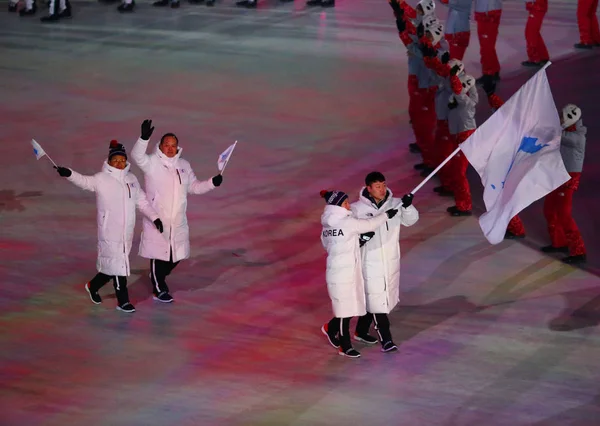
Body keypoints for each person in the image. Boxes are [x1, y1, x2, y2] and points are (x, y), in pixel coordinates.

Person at [55, 141, 162, 313]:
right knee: (119, 265)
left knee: (113, 266)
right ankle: (123, 301)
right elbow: (84, 181)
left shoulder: (131, 180)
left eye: (122, 160)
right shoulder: (101, 179)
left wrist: (155, 218)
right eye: (116, 160)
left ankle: (92, 285)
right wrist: (69, 173)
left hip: (126, 232)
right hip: (109, 231)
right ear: (109, 161)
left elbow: (141, 201)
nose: (119, 163)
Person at [131, 120, 223, 303]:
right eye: (167, 145)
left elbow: (194, 187)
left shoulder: (184, 165)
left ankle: (157, 277)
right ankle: (159, 289)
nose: (170, 148)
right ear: (161, 146)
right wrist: (143, 138)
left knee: (176, 256)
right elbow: (137, 156)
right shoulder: (152, 163)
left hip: (178, 220)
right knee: (159, 254)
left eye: (174, 145)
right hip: (158, 218)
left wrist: (212, 183)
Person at [320, 190, 398, 358]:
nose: (349, 206)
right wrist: (386, 215)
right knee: (343, 311)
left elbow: (331, 245)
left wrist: (359, 241)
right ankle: (344, 346)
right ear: (338, 206)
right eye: (345, 203)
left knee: (349, 306)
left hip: (340, 270)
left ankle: (339, 332)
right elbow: (369, 224)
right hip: (343, 272)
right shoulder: (347, 222)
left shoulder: (327, 226)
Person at [351, 172, 419, 353]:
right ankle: (386, 340)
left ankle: (360, 331)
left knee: (376, 300)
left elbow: (411, 221)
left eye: (383, 185)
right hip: (368, 263)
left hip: (389, 261)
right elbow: (349, 234)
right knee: (377, 302)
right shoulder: (356, 210)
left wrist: (408, 207)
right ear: (368, 189)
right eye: (377, 186)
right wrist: (361, 239)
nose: (382, 189)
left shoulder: (396, 204)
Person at [390, 0, 439, 176]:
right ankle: (424, 151)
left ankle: (431, 161)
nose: (415, 12)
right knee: (416, 117)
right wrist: (399, 14)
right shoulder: (420, 26)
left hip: (426, 84)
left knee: (425, 123)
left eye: (419, 9)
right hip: (417, 78)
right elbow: (410, 36)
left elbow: (423, 52)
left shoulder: (432, 31)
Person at [480, 75, 527, 239]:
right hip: (500, 165)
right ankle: (509, 226)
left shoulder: (514, 128)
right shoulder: (508, 120)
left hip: (506, 167)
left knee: (504, 198)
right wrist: (490, 95)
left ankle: (517, 229)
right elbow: (500, 108)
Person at [541, 104, 587, 264]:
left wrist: (549, 126)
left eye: (562, 116)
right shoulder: (566, 133)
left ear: (570, 117)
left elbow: (561, 136)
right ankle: (559, 243)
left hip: (568, 179)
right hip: (558, 174)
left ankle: (579, 251)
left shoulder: (579, 137)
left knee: (564, 214)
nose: (559, 118)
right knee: (549, 209)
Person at [446, 72, 478, 216]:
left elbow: (458, 91)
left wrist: (453, 77)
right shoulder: (462, 102)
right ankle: (461, 200)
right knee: (456, 171)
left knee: (459, 173)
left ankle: (464, 206)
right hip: (460, 136)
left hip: (464, 138)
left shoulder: (466, 102)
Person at [474, 0, 503, 83]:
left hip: (488, 12)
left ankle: (488, 73)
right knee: (488, 45)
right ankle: (494, 70)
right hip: (487, 11)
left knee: (486, 45)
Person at [522, 0, 550, 67]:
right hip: (537, 6)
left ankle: (535, 58)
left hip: (537, 6)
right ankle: (543, 56)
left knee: (530, 33)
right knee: (533, 32)